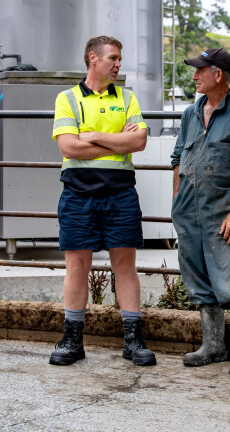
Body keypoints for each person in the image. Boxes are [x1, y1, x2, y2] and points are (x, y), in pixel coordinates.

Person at [49, 35, 156, 367]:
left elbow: (139, 141)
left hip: (121, 194)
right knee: (76, 266)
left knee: (125, 265)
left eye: (119, 59)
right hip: (78, 194)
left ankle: (134, 341)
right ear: (93, 58)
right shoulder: (67, 98)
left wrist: (94, 136)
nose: (118, 64)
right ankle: (72, 340)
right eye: (113, 58)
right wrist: (117, 140)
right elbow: (69, 147)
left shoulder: (127, 97)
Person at [171, 47, 230, 375]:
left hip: (223, 212)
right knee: (198, 280)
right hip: (189, 212)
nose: (194, 76)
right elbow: (177, 159)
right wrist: (177, 201)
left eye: (200, 70)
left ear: (218, 75)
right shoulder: (190, 114)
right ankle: (212, 346)